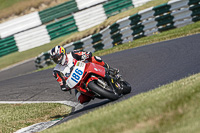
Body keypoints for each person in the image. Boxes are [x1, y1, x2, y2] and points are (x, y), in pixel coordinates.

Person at [50, 45, 119, 105]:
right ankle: (95, 93)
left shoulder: (72, 54)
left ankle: (110, 69)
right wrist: (64, 86)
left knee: (94, 59)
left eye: (59, 57)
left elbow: (84, 54)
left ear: (63, 53)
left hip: (86, 70)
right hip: (78, 84)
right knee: (82, 101)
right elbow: (61, 82)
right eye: (55, 59)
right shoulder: (56, 71)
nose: (58, 59)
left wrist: (86, 55)